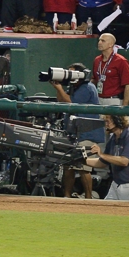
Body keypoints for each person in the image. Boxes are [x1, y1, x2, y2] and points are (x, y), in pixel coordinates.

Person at [51, 63, 104, 199]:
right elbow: (61, 100)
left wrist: (59, 88)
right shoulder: (74, 87)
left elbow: (71, 103)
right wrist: (58, 88)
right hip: (74, 133)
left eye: (72, 73)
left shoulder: (87, 87)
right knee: (68, 166)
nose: (69, 75)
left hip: (87, 133)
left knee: (83, 167)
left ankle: (88, 197)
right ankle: (67, 196)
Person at [85, 115, 129, 201]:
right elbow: (103, 162)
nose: (106, 124)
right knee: (104, 210)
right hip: (116, 184)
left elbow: (124, 161)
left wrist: (101, 154)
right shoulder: (113, 137)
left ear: (118, 120)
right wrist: (82, 161)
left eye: (108, 121)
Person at [92, 33, 129, 105]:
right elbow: (94, 79)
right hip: (98, 99)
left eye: (103, 41)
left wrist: (124, 107)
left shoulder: (121, 61)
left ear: (111, 44)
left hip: (114, 100)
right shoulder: (97, 60)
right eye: (99, 40)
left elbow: (128, 85)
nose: (99, 43)